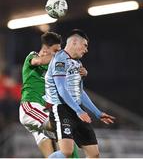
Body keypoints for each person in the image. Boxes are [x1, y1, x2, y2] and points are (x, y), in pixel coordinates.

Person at [44, 29, 115, 158]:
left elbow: (80, 92)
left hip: (76, 109)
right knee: (67, 151)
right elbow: (61, 89)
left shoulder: (77, 64)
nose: (86, 50)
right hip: (61, 108)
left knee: (94, 154)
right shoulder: (59, 59)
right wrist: (78, 111)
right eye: (85, 45)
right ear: (75, 42)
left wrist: (98, 113)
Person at [19, 31, 86, 158]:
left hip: (43, 113)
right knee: (63, 125)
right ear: (45, 50)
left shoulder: (54, 69)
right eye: (56, 51)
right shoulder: (32, 57)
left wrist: (79, 71)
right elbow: (37, 61)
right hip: (30, 107)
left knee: (65, 140)